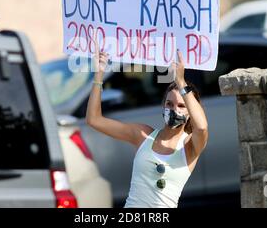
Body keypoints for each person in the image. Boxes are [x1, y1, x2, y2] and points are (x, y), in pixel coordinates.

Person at [85, 36, 209, 208]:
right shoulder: (143, 135)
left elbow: (202, 127)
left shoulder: (189, 146)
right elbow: (94, 119)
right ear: (163, 105)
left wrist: (180, 82)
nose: (174, 110)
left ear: (190, 112)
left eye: (181, 105)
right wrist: (99, 74)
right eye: (169, 104)